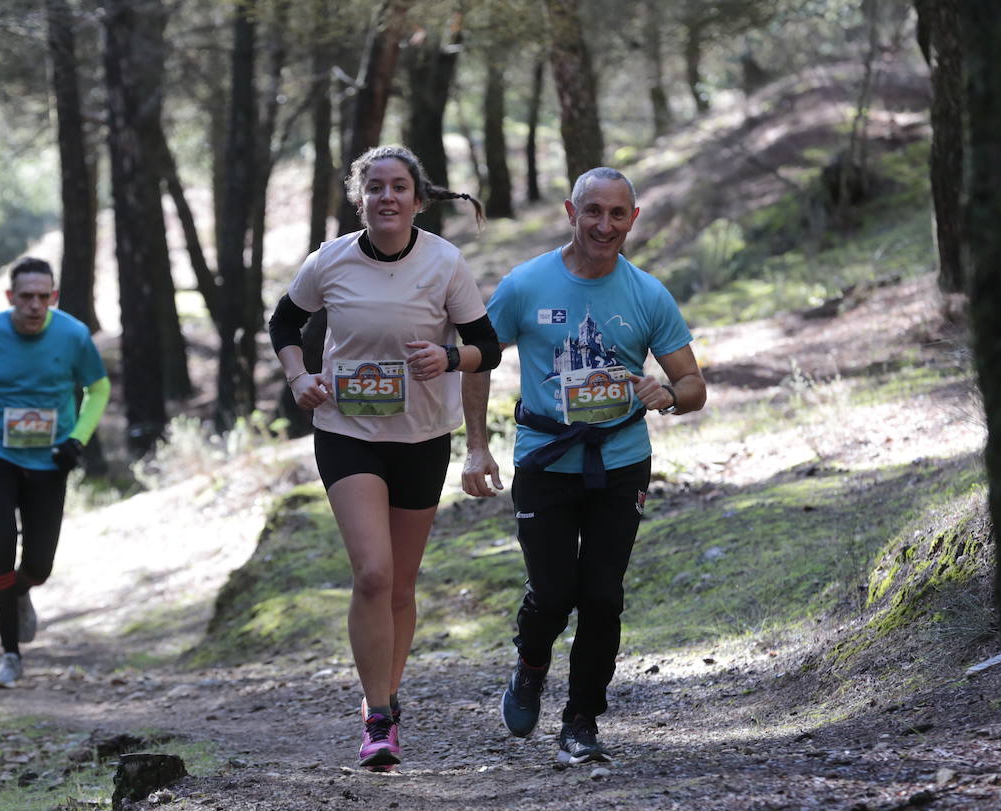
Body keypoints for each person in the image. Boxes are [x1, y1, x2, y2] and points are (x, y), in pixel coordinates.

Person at [461, 166, 706, 765]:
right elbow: (477, 360)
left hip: (621, 462)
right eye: (592, 211)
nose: (604, 224)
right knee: (552, 591)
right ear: (571, 214)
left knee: (602, 595)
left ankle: (581, 722)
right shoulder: (525, 285)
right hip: (545, 461)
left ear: (633, 219)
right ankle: (530, 664)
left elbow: (694, 384)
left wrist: (669, 395)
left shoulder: (648, 293)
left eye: (617, 213)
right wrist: (475, 446)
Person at [268, 145, 502, 769]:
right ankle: (376, 717)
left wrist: (448, 358)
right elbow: (284, 322)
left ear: (417, 201)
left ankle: (389, 698)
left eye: (400, 187)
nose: (388, 197)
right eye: (376, 187)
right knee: (372, 573)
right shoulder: (331, 261)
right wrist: (299, 378)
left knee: (400, 585)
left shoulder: (445, 263)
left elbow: (487, 346)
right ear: (360, 198)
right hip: (346, 429)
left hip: (423, 433)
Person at [0, 257, 110, 688]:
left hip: (50, 457)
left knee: (39, 564)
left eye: (43, 296)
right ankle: (10, 656)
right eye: (26, 297)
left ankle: (18, 591)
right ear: (10, 297)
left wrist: (77, 439)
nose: (34, 305)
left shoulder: (73, 335)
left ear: (53, 296)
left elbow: (98, 388)